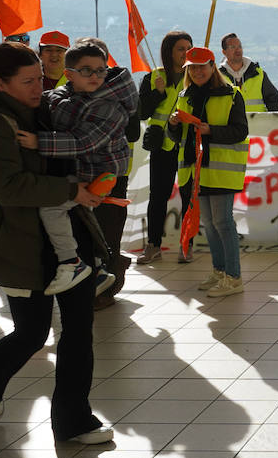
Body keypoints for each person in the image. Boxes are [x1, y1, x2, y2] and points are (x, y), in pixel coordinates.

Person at [0, 42, 112, 445]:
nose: (38, 87)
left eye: (40, 77)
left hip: (66, 238)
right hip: (20, 241)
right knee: (33, 331)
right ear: (0, 84)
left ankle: (74, 420)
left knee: (79, 329)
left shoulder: (44, 109)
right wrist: (70, 190)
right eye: (28, 81)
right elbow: (5, 187)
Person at [18, 40, 132, 295]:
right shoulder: (74, 96)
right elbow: (56, 100)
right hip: (85, 168)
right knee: (83, 220)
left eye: (100, 70)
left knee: (52, 207)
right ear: (69, 75)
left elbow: (84, 141)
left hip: (94, 171)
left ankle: (72, 262)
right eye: (87, 70)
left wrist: (39, 142)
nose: (95, 76)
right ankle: (99, 267)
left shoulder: (109, 105)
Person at [169, 47, 248, 297]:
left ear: (213, 67)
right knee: (210, 225)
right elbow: (175, 136)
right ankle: (220, 271)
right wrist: (172, 125)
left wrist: (210, 130)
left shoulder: (232, 95)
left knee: (223, 223)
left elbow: (240, 131)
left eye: (202, 66)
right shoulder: (184, 96)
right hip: (195, 170)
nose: (197, 71)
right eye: (192, 67)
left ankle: (233, 277)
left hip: (221, 171)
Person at [72, 37, 140, 310]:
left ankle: (108, 285)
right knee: (82, 236)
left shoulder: (119, 93)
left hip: (113, 176)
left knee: (107, 234)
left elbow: (133, 130)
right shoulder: (72, 91)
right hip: (80, 175)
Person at [137, 30, 193, 265]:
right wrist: (157, 93)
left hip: (187, 145)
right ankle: (153, 245)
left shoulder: (196, 76)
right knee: (157, 196)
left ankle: (186, 246)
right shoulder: (154, 77)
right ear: (169, 52)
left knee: (188, 196)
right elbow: (142, 112)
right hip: (162, 146)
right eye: (181, 49)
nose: (186, 53)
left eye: (189, 48)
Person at [218, 32, 278, 111]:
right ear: (224, 52)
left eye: (240, 46)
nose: (238, 50)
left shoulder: (258, 73)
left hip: (257, 122)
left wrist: (274, 121)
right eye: (233, 47)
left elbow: (274, 99)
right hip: (231, 123)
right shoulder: (218, 77)